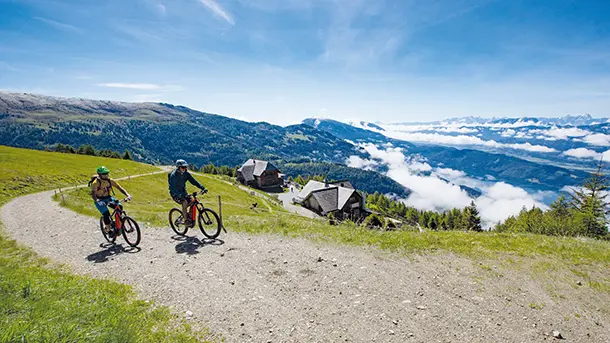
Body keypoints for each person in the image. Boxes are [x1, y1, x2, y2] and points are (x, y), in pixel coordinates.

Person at [91, 166, 132, 234]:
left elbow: (119, 188)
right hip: (100, 200)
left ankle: (118, 224)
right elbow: (93, 194)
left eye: (107, 173)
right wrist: (97, 200)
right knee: (106, 214)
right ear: (100, 175)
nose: (106, 175)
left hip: (108, 198)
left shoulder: (110, 181)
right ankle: (108, 229)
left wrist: (128, 195)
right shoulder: (95, 183)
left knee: (119, 207)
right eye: (104, 174)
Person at [168, 159, 207, 227]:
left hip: (183, 192)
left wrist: (202, 187)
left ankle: (188, 215)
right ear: (178, 167)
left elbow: (194, 181)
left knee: (193, 201)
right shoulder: (173, 176)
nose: (185, 168)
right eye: (183, 167)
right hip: (175, 194)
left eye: (185, 167)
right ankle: (186, 220)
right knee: (185, 202)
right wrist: (178, 195)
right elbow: (172, 187)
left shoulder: (186, 173)